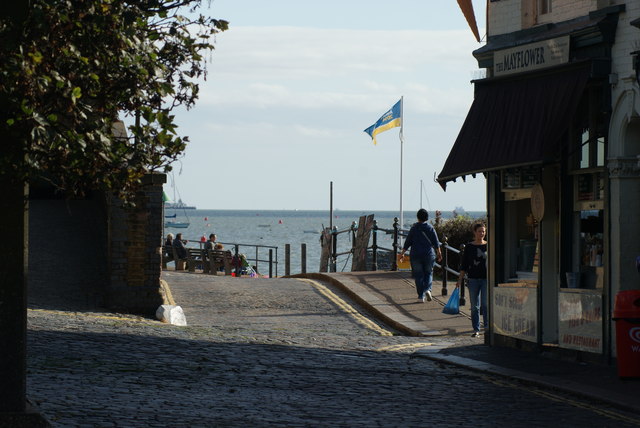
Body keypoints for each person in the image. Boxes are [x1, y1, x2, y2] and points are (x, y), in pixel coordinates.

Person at [399, 209, 442, 303]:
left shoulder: (414, 228)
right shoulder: (430, 228)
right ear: (427, 217)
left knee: (418, 275)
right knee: (428, 273)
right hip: (428, 254)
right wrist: (439, 253)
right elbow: (436, 242)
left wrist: (402, 254)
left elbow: (408, 242)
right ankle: (427, 289)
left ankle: (420, 296)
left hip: (416, 255)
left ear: (417, 217)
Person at [457, 222, 488, 337]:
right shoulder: (469, 247)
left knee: (485, 305)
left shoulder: (488, 245)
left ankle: (487, 328)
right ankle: (476, 329)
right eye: (479, 231)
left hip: (486, 279)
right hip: (473, 279)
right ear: (475, 232)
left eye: (483, 231)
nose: (482, 233)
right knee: (475, 306)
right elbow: (464, 264)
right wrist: (460, 279)